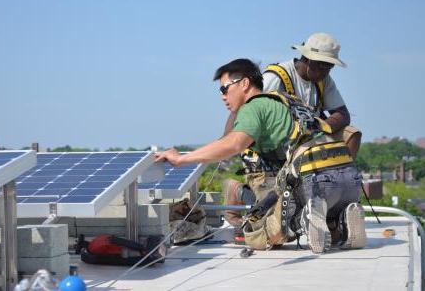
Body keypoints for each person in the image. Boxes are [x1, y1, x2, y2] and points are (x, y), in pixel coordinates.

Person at [155, 58, 366, 253]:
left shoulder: (253, 107)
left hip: (315, 183)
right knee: (314, 211)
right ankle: (340, 223)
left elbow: (234, 143)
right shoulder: (287, 99)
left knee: (257, 235)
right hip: (348, 179)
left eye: (224, 88)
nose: (222, 96)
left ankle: (302, 219)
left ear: (244, 83)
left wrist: (181, 159)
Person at [222, 33, 362, 241]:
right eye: (322, 66)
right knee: (278, 227)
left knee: (351, 134)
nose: (326, 71)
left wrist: (320, 125)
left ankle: (334, 192)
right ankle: (238, 190)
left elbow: (342, 114)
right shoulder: (275, 79)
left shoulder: (323, 81)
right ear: (307, 60)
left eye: (329, 67)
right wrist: (229, 143)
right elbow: (242, 111)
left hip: (301, 149)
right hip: (269, 156)